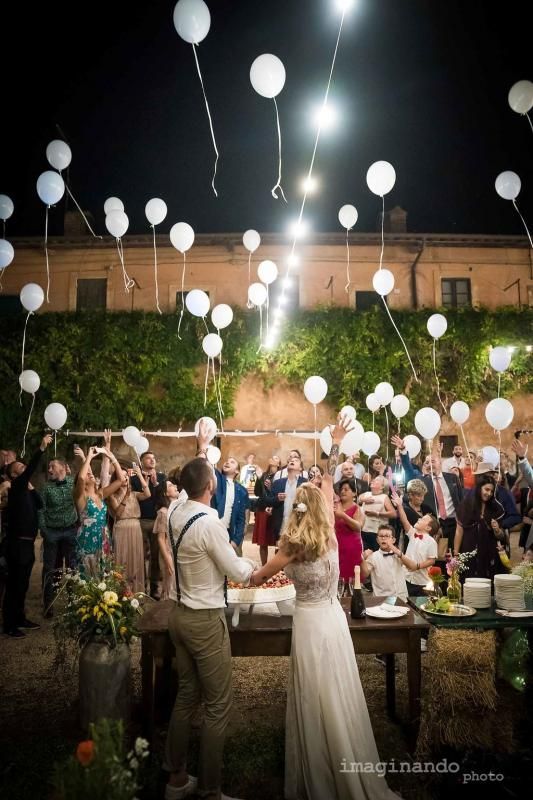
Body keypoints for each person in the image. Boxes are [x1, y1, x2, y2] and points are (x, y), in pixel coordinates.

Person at [249, 419, 400, 800]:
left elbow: (256, 577)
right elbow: (330, 480)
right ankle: (345, 751)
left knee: (315, 692)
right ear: (322, 509)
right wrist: (333, 446)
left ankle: (320, 769)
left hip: (310, 622)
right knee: (338, 687)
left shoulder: (292, 547)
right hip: (333, 618)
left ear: (297, 510)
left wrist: (230, 570)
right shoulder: (331, 533)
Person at [163, 457, 255, 800]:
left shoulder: (174, 510)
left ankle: (175, 779)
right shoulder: (209, 523)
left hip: (178, 613)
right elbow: (239, 572)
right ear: (212, 486)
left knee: (187, 695)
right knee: (218, 704)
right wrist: (251, 564)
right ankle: (211, 790)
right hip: (204, 619)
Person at [2, 434, 52, 637]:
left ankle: (20, 617)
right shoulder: (15, 489)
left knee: (23, 584)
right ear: (13, 476)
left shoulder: (26, 490)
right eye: (20, 469)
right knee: (14, 585)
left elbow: (40, 504)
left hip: (28, 544)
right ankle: (9, 625)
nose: (24, 470)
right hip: (16, 544)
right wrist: (41, 448)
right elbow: (30, 468)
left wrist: (31, 489)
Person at [73, 445, 125, 575]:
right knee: (88, 575)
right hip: (87, 538)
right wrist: (89, 456)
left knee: (104, 574)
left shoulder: (100, 494)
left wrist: (112, 457)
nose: (90, 474)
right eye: (87, 473)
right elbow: (80, 478)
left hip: (103, 538)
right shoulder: (80, 496)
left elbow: (121, 480)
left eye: (91, 472)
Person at [41, 456, 79, 616]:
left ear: (63, 468)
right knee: (50, 568)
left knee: (72, 567)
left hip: (71, 531)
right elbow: (40, 510)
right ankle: (48, 604)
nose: (49, 470)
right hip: (52, 532)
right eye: (49, 467)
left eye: (52, 466)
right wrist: (45, 531)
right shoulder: (46, 488)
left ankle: (73, 603)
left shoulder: (73, 484)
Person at [108, 464, 151, 593]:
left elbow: (148, 494)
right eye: (122, 477)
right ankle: (121, 592)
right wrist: (125, 496)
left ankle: (136, 592)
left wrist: (139, 475)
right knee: (122, 559)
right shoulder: (112, 495)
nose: (125, 479)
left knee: (136, 559)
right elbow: (118, 513)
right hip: (121, 528)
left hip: (135, 528)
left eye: (127, 477)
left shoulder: (134, 494)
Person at [130, 450, 166, 599]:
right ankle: (141, 586)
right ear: (142, 461)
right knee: (141, 555)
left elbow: (163, 498)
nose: (152, 460)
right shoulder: (134, 479)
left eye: (154, 458)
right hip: (139, 520)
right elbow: (134, 499)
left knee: (156, 556)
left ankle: (154, 587)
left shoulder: (162, 478)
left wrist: (156, 484)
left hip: (157, 521)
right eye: (148, 458)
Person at [454, 476, 506, 580]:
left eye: (491, 491)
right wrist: (455, 554)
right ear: (479, 488)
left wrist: (497, 530)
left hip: (488, 553)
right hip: (468, 551)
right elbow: (459, 531)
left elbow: (501, 536)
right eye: (486, 489)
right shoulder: (466, 506)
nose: (489, 494)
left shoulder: (496, 508)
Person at [391, 490, 438, 597]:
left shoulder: (431, 542)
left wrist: (417, 566)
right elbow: (404, 521)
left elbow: (432, 560)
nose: (419, 518)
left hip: (421, 581)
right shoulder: (413, 534)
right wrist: (399, 505)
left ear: (428, 528)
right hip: (407, 577)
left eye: (422, 519)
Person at [259, 452, 307, 541]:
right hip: (281, 524)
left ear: (300, 469)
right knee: (279, 551)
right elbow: (268, 501)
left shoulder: (305, 484)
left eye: (296, 460)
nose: (292, 460)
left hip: (299, 526)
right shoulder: (278, 482)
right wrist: (277, 498)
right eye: (291, 460)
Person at [360, 525, 414, 603]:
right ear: (377, 540)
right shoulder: (373, 557)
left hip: (401, 598)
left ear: (393, 540)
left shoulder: (399, 554)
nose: (383, 538)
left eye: (387, 536)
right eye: (381, 536)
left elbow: (412, 566)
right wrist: (362, 558)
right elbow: (365, 574)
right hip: (382, 599)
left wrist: (396, 551)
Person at [210, 456, 249, 557]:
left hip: (228, 532)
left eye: (232, 462)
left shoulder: (242, 491)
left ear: (237, 471)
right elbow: (208, 467)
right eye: (226, 461)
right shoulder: (217, 480)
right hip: (212, 529)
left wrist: (236, 541)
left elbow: (241, 518)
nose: (227, 462)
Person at [153, 481, 180, 600]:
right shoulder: (163, 512)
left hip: (179, 551)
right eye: (170, 485)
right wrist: (168, 559)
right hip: (168, 552)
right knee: (169, 587)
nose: (175, 486)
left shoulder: (180, 508)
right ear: (165, 493)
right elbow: (160, 538)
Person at [334, 478, 365, 582]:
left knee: (350, 578)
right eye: (341, 489)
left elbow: (358, 526)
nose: (343, 491)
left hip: (351, 547)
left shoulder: (357, 508)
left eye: (346, 489)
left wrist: (343, 515)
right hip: (336, 546)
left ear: (354, 493)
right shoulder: (335, 506)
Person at [251, 455, 280, 566]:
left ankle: (276, 567)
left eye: (276, 458)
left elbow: (278, 492)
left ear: (279, 463)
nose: (273, 459)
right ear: (268, 461)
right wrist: (259, 479)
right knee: (263, 541)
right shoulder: (263, 475)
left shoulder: (280, 475)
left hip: (275, 510)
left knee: (277, 541)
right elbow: (257, 492)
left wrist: (270, 487)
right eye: (272, 457)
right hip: (263, 509)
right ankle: (264, 565)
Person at [358, 476, 397, 552]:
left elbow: (393, 514)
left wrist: (377, 513)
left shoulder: (384, 497)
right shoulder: (365, 494)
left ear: (382, 486)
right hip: (363, 531)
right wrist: (362, 500)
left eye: (377, 480)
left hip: (377, 533)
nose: (373, 481)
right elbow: (355, 502)